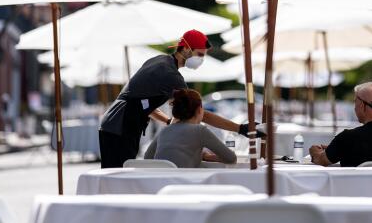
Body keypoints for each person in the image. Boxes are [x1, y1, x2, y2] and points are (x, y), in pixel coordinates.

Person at [98, 29, 261, 168]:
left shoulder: (159, 61)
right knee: (118, 176)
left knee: (117, 174)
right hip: (121, 125)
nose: (201, 60)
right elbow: (197, 112)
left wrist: (168, 122)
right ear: (185, 50)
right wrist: (240, 128)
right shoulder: (170, 75)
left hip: (115, 123)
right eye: (199, 54)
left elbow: (145, 104)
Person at [309, 82, 372, 167]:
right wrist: (335, 148)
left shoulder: (348, 137)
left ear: (362, 105)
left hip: (351, 186)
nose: (354, 108)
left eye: (355, 102)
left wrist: (315, 152)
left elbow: (321, 160)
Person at [144, 89, 237, 168]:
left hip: (160, 183)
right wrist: (204, 156)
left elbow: (147, 158)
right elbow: (231, 159)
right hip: (183, 184)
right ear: (199, 110)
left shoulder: (164, 130)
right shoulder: (200, 130)